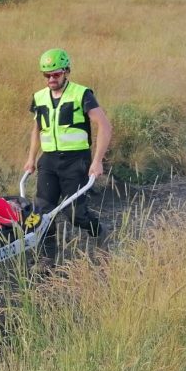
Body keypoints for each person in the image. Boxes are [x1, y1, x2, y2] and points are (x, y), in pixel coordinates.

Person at [23, 48, 113, 265]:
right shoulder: (39, 97)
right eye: (47, 75)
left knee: (75, 214)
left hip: (76, 162)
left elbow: (104, 126)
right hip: (49, 161)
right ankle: (47, 257)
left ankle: (100, 233)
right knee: (42, 212)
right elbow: (37, 129)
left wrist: (97, 160)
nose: (51, 79)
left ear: (66, 72)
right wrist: (31, 159)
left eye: (56, 74)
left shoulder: (82, 94)